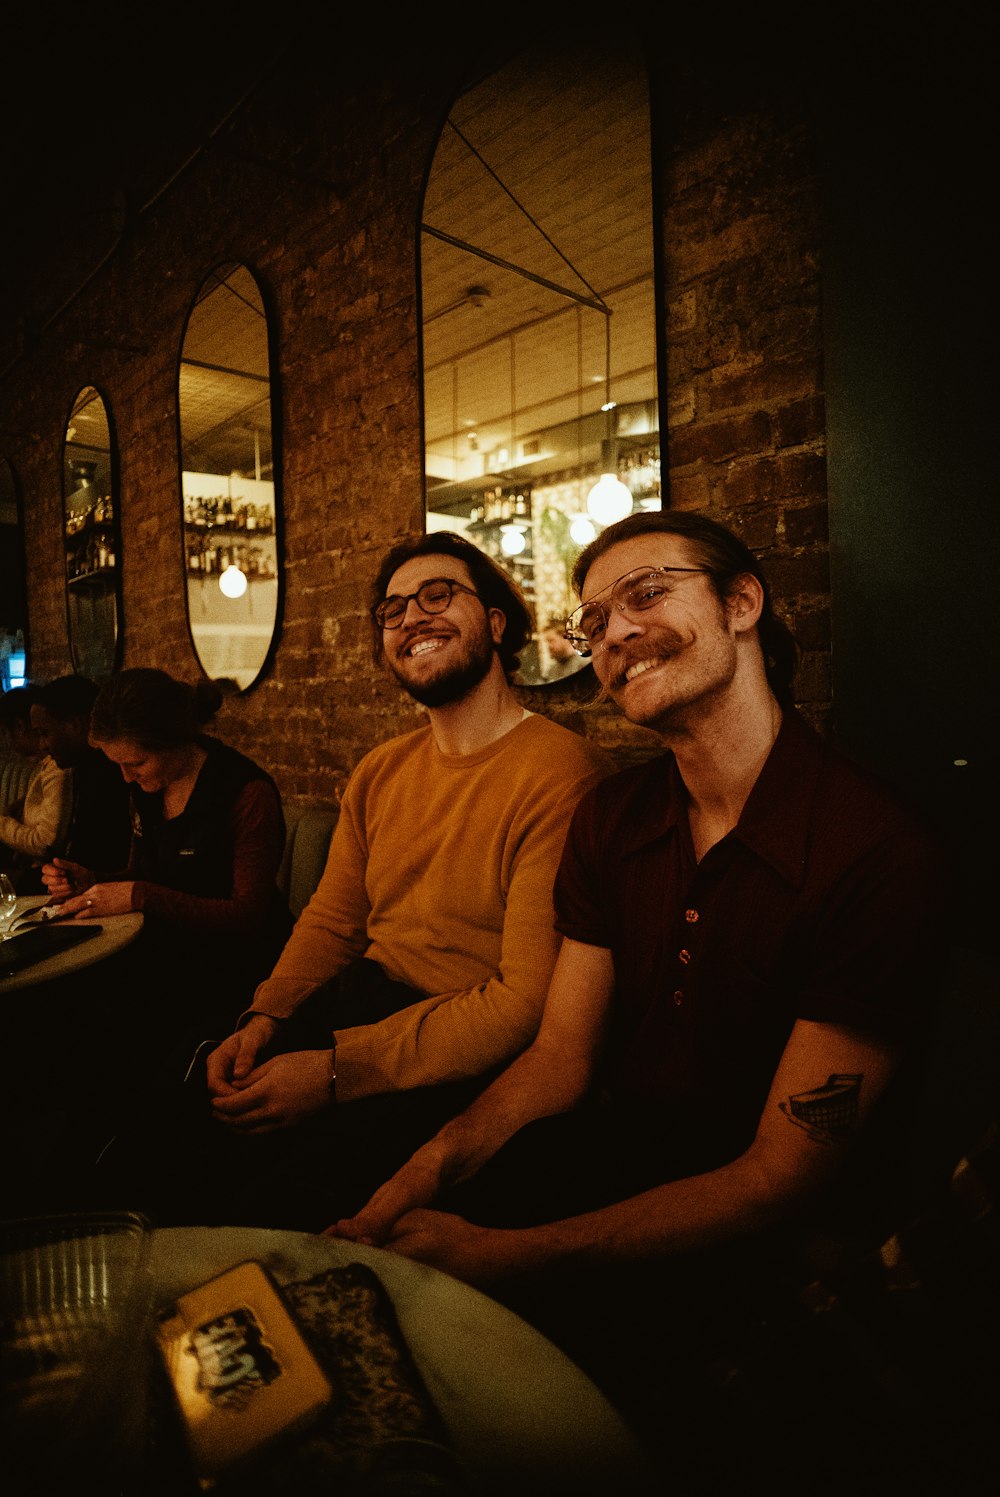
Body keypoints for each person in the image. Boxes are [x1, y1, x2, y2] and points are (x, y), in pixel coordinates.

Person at [331, 510, 945, 1442]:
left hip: (775, 1242)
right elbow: (560, 1060)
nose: (614, 633)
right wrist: (414, 1177)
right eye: (592, 622)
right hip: (614, 1158)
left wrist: (511, 1256)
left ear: (743, 603)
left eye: (646, 593)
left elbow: (780, 1176)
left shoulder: (875, 846)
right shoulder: (614, 818)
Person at [98, 532, 609, 1228]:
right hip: (356, 1003)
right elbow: (333, 920)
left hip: (456, 1046)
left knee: (270, 1212)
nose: (412, 618)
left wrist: (336, 1072)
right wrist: (264, 1017)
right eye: (393, 610)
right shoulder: (380, 770)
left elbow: (521, 1005)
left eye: (438, 595)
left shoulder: (560, 773)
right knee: (160, 1132)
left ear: (494, 622)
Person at [43, 668, 293, 1065]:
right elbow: (149, 873)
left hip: (240, 967)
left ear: (174, 741)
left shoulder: (246, 793)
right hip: (172, 953)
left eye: (136, 762)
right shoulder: (148, 787)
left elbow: (248, 917)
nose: (126, 776)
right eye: (118, 765)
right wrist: (93, 882)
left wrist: (139, 895)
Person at [29, 674, 132, 876]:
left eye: (44, 733)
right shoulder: (84, 768)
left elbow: (104, 860)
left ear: (75, 725)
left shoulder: (112, 774)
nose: (42, 745)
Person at [0, 683, 73, 891]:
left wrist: (2, 825)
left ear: (19, 727)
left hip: (45, 876)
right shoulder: (47, 766)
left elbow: (44, 843)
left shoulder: (59, 769)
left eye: (5, 732)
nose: (5, 741)